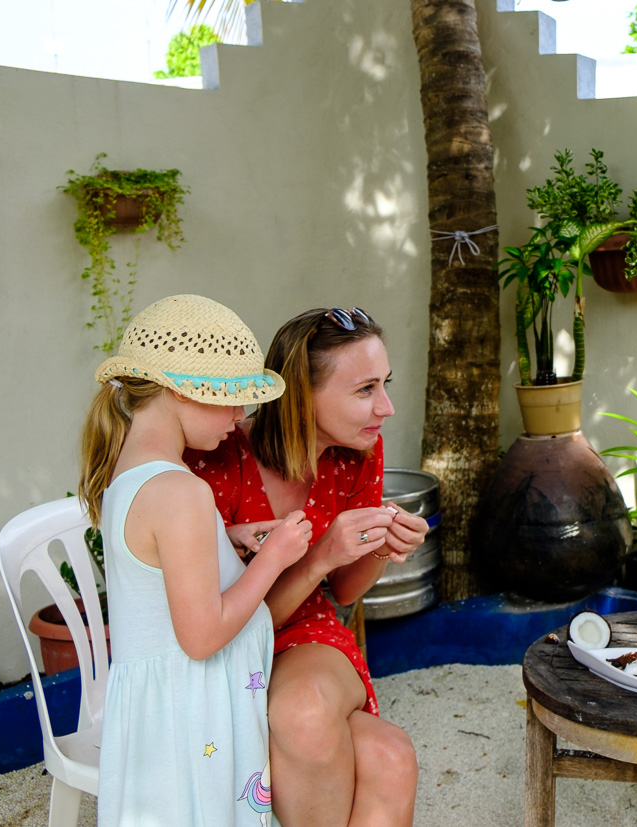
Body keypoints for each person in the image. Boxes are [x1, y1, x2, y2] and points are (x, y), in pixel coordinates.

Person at [185, 306, 426, 827]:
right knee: (388, 755)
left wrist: (383, 546)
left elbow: (343, 593)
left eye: (384, 384)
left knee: (307, 707)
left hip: (303, 633)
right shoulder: (217, 456)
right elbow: (228, 625)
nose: (386, 407)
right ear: (300, 394)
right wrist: (319, 555)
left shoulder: (359, 453)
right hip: (219, 642)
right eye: (365, 390)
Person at [80, 294, 313, 826]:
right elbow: (202, 636)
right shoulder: (181, 492)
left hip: (160, 723)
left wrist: (222, 538)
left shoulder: (132, 472)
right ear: (177, 392)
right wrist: (272, 560)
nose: (239, 415)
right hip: (194, 723)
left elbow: (151, 558)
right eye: (228, 396)